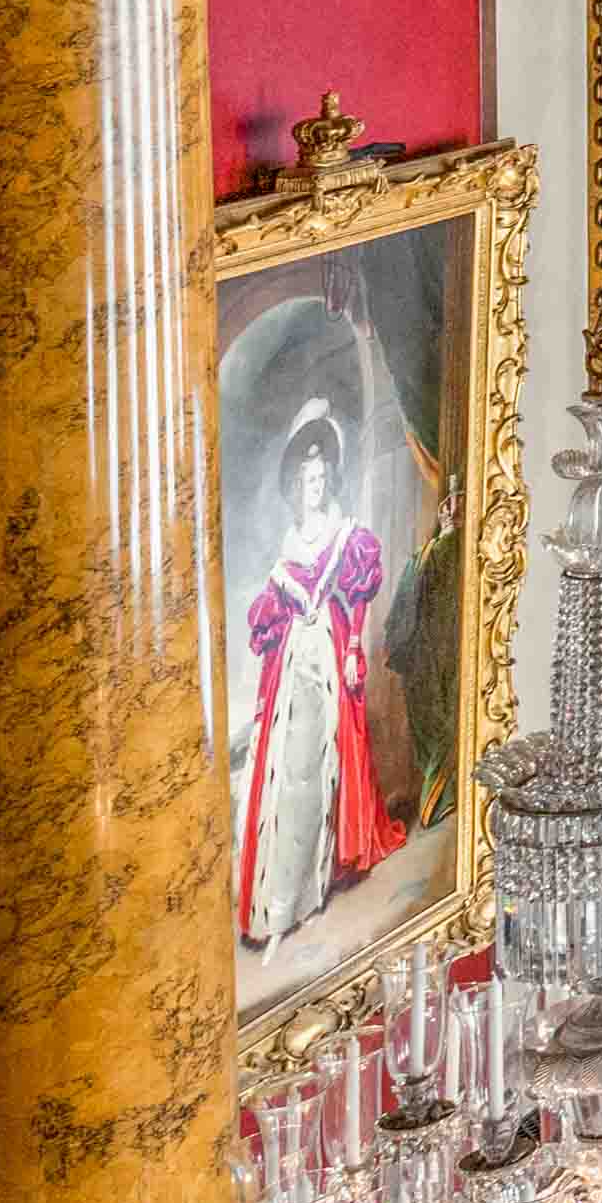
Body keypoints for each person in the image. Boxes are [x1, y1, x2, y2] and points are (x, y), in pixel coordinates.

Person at [236, 404, 398, 950]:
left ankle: (318, 876)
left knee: (324, 760)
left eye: (323, 479)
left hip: (328, 649)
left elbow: (357, 598)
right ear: (295, 486)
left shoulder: (344, 533)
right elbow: (273, 613)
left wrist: (352, 647)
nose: (316, 488)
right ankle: (283, 893)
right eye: (308, 481)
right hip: (293, 662)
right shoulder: (290, 541)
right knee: (289, 768)